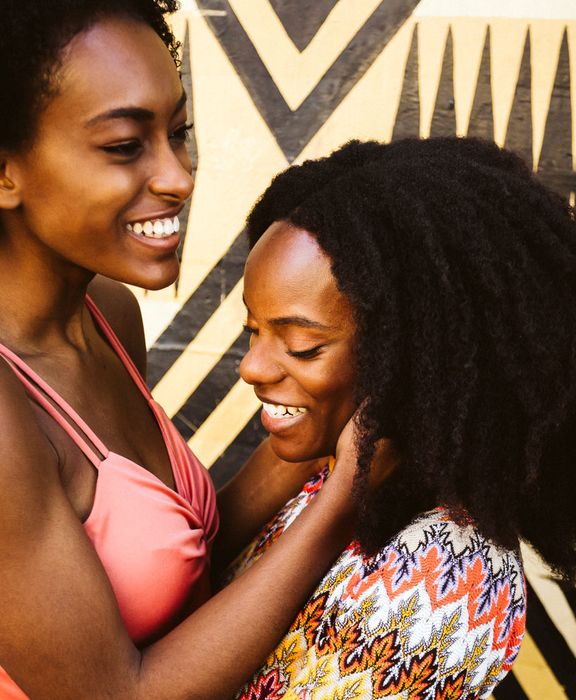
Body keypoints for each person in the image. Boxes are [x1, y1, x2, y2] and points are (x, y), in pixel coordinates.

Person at [0, 2, 381, 698]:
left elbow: (175, 557)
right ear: (5, 173)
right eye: (124, 146)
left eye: (179, 134)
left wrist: (340, 413)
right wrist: (342, 504)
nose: (178, 175)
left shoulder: (107, 317)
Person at [225, 137, 576, 698]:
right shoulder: (337, 476)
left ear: (409, 355)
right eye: (253, 332)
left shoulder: (438, 576)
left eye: (301, 346)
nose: (251, 367)